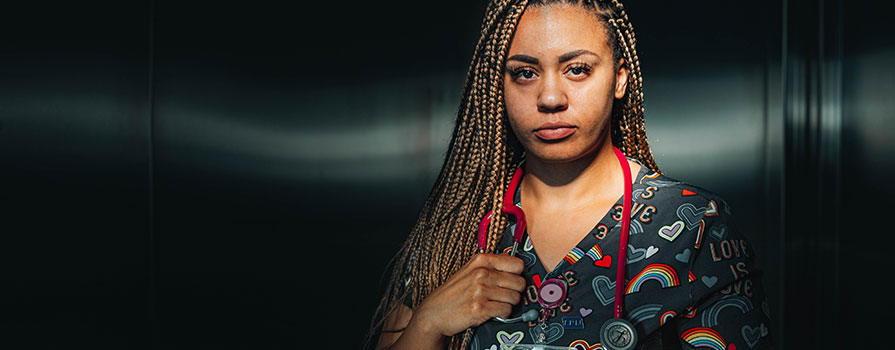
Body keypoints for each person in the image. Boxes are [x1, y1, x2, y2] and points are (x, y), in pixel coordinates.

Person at [367, 1, 772, 349]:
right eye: (524, 73)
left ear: (619, 78)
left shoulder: (695, 227)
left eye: (576, 69)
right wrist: (429, 323)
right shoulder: (457, 227)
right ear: (499, 86)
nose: (549, 98)